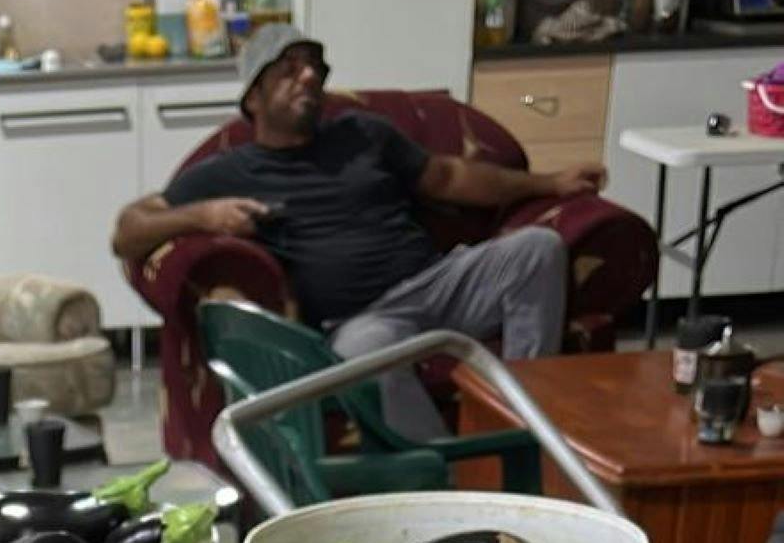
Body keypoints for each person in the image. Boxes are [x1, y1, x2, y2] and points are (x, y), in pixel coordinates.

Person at [111, 27, 606, 439]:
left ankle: (524, 426)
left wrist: (551, 182)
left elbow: (449, 177)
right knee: (364, 354)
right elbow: (128, 232)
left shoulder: (363, 133)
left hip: (438, 280)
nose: (309, 77)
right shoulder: (226, 172)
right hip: (361, 321)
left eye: (315, 69)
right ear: (253, 96)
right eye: (289, 69)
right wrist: (202, 217)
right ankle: (447, 477)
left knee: (538, 249)